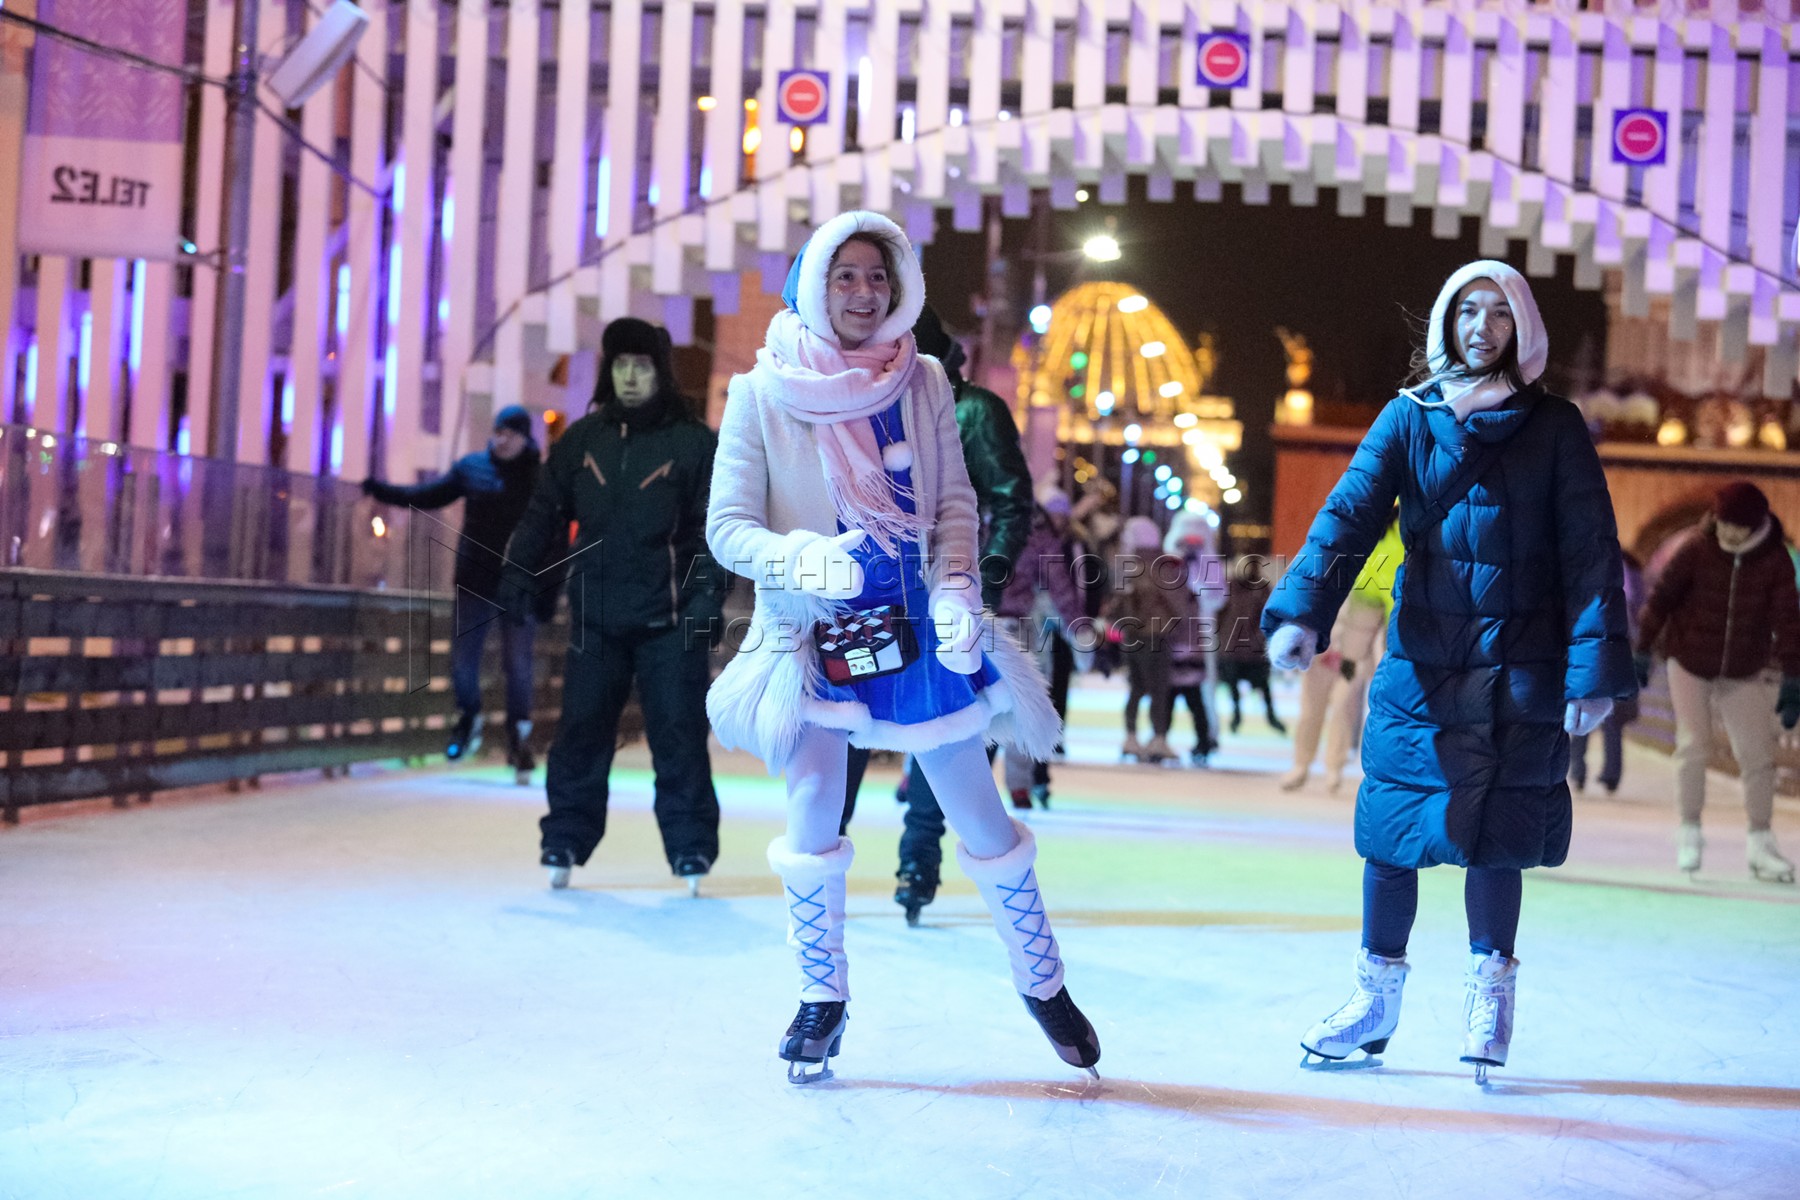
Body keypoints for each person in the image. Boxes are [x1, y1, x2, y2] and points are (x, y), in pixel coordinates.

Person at [705, 210, 1097, 1083]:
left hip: (919, 626)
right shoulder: (761, 393)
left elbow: (956, 502)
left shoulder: (920, 380)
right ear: (815, 286)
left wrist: (956, 590)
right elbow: (727, 528)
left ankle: (1044, 983)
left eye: (877, 276)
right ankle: (822, 999)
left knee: (980, 812)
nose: (863, 292)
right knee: (813, 815)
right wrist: (801, 559)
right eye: (844, 276)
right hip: (811, 631)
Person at [1263, 259, 1635, 1082]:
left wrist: (1591, 671)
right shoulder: (1411, 417)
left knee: (1498, 835)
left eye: (1498, 313)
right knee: (1390, 829)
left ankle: (1489, 996)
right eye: (1468, 310)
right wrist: (1302, 613)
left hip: (1520, 665)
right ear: (1445, 322)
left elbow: (1590, 554)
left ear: (1521, 328)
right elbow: (1348, 515)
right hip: (1422, 665)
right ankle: (1375, 999)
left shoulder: (1555, 428)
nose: (1481, 327)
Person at [500, 317, 727, 894]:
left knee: (678, 736)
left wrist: (706, 596)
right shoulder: (583, 441)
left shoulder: (693, 444)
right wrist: (518, 572)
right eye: (621, 365)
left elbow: (711, 532)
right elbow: (544, 513)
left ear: (661, 372)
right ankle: (565, 837)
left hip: (670, 622)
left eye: (641, 366)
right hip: (595, 620)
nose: (629, 377)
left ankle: (690, 845)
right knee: (580, 732)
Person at [830, 304, 1035, 916]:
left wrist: (979, 581)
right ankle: (827, 863)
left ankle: (918, 863)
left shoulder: (972, 411)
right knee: (846, 727)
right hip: (869, 597)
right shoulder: (861, 403)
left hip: (947, 599)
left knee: (944, 735)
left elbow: (1010, 500)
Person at [362, 405, 551, 776]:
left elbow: (555, 530)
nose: (502, 440)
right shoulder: (472, 468)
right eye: (499, 432)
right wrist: (383, 491)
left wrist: (546, 588)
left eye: (510, 434)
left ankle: (519, 738)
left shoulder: (541, 478)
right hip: (474, 580)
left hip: (518, 585)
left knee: (518, 665)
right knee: (463, 661)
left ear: (525, 438)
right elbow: (430, 494)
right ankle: (469, 719)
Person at [1634, 482, 1800, 882]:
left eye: (1735, 528)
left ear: (1754, 525)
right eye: (1722, 524)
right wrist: (1642, 650)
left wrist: (1793, 677)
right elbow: (1661, 600)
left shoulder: (1775, 560)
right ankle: (1690, 831)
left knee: (1757, 755)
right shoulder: (1696, 547)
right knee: (1694, 744)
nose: (1727, 534)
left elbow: (1788, 620)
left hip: (1743, 668)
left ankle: (1761, 843)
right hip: (1689, 662)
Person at [1279, 517, 1401, 792]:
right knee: (1311, 709)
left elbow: (1377, 613)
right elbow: (1299, 603)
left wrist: (1361, 656)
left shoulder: (1378, 558)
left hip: (1352, 655)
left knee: (1344, 708)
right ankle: (1301, 763)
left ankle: (1334, 766)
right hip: (1320, 651)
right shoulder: (1318, 560)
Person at [1108, 516, 1185, 763]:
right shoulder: (1163, 567)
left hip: (1132, 637)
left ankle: (1131, 737)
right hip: (1158, 636)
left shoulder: (1126, 566)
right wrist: (1182, 625)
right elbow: (1177, 603)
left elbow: (1115, 604)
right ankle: (1158, 738)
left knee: (1136, 688)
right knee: (1159, 691)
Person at [1568, 549, 1644, 795]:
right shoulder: (1632, 570)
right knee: (1612, 716)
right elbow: (1639, 608)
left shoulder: (1586, 562)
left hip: (1590, 643)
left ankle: (1578, 770)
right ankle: (1610, 774)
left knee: (1583, 706)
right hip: (1621, 645)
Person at [1164, 509, 1227, 764]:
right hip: (1171, 632)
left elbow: (1218, 596)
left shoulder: (1209, 562)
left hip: (1202, 633)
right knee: (1167, 691)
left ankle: (1207, 736)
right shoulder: (1168, 561)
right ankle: (1161, 736)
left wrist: (1199, 581)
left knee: (1202, 690)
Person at [1216, 555, 1285, 736]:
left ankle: (1270, 716)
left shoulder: (1262, 588)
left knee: (1263, 685)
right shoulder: (1229, 586)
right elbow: (1218, 612)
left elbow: (1270, 615)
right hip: (1232, 648)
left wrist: (1261, 639)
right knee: (1233, 686)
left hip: (1253, 650)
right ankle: (1236, 716)